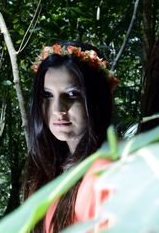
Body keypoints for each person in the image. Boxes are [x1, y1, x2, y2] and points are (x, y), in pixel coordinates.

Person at [23, 41, 118, 232]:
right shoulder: (50, 169)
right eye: (47, 95)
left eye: (72, 94)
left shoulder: (111, 171)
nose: (57, 110)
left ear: (96, 99)